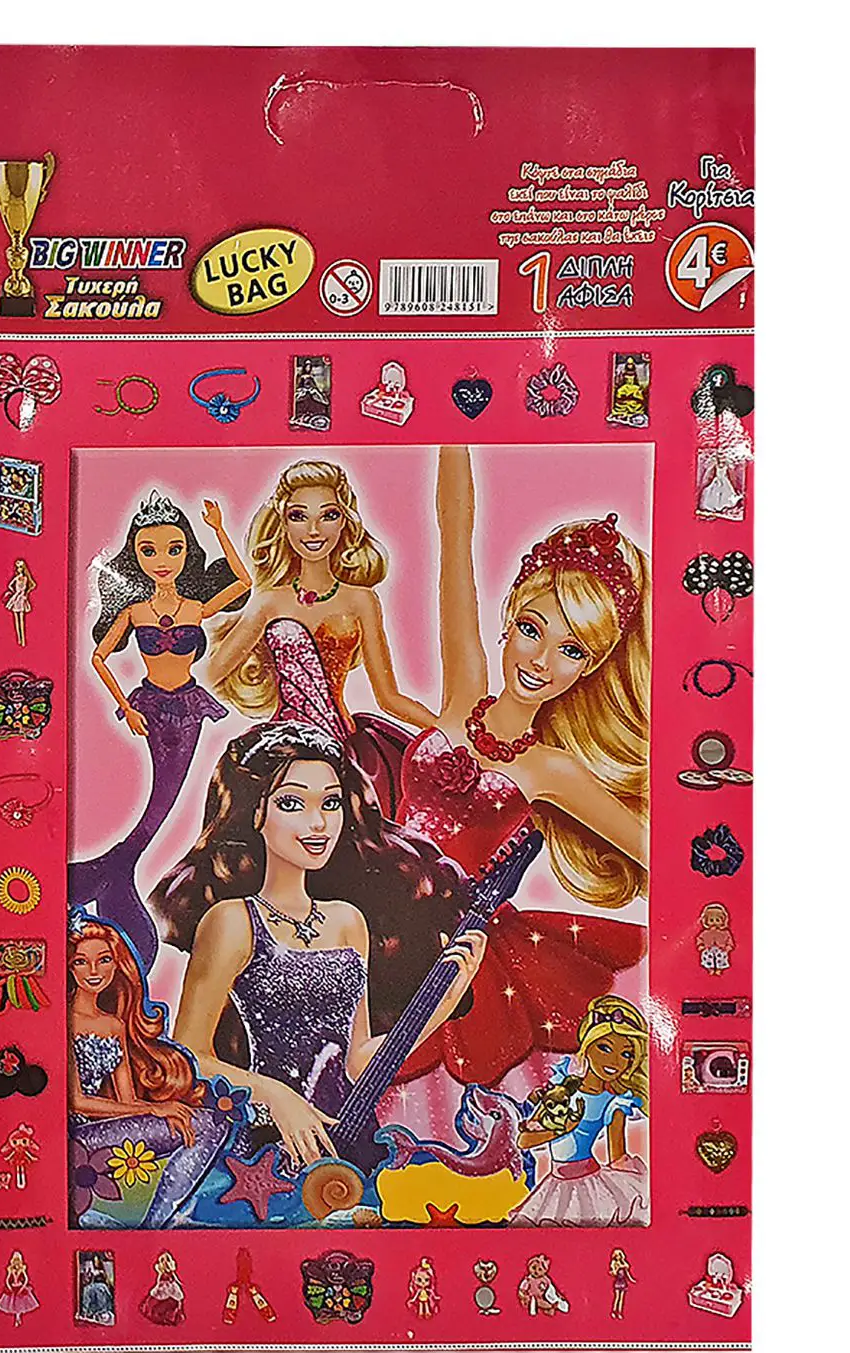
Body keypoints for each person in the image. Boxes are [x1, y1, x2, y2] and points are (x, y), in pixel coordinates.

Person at [388, 446, 650, 1088]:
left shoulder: (552, 771)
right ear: (508, 618)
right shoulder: (464, 690)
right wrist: (454, 428)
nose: (540, 661)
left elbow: (659, 852)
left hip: (446, 950)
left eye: (571, 650)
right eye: (533, 629)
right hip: (365, 907)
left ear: (588, 669)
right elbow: (454, 534)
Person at [151, 720, 482, 1167]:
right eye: (292, 803)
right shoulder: (233, 921)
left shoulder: (347, 921)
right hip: (268, 1145)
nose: (318, 823)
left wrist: (443, 1003)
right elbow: (189, 1055)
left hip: (350, 1137)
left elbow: (358, 1061)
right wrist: (275, 1095)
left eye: (330, 803)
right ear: (256, 813)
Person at [69, 491, 249, 948]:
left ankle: (112, 870)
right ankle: (112, 872)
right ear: (136, 556)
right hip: (149, 705)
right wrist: (126, 706)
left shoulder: (194, 608)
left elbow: (242, 582)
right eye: (149, 551)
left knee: (165, 797)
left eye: (174, 549)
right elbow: (98, 657)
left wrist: (219, 529)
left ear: (187, 551)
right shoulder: (135, 611)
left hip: (187, 707)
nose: (162, 560)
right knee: (157, 797)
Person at [204, 460, 435, 741]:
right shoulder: (270, 602)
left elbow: (388, 697)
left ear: (344, 522)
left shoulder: (361, 600)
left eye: (329, 515)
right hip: (284, 744)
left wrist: (445, 730)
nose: (313, 530)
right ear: (284, 524)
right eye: (299, 516)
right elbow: (209, 676)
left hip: (339, 740)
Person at [510, 995, 650, 1227]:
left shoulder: (615, 1102)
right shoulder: (561, 1089)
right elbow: (524, 1141)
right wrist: (563, 1130)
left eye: (626, 1054)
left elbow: (617, 1157)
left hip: (590, 1184)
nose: (615, 1061)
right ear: (587, 1047)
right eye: (604, 1048)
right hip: (554, 1183)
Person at [68, 910, 203, 1145]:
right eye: (81, 962)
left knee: (198, 1122)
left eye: (104, 960)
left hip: (108, 1126)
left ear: (117, 964)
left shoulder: (114, 1025)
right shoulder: (66, 1021)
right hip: (71, 1135)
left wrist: (162, 1109)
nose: (94, 971)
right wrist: (151, 1110)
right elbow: (75, 1102)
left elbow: (127, 1100)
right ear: (69, 968)